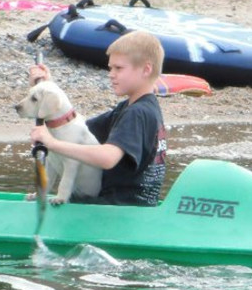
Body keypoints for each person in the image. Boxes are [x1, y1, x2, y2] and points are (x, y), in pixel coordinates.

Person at [29, 30, 167, 206]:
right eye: (111, 68)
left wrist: (52, 143)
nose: (111, 74)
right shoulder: (138, 109)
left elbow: (108, 158)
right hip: (131, 210)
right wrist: (49, 92)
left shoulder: (137, 114)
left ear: (146, 69)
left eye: (119, 68)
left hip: (116, 212)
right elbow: (76, 129)